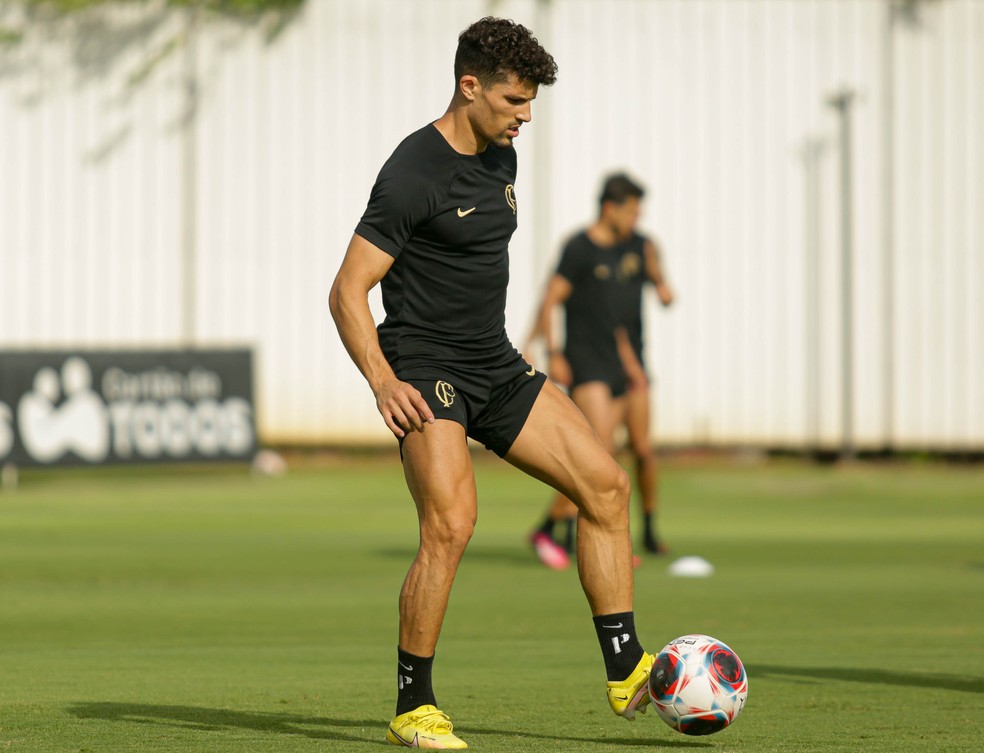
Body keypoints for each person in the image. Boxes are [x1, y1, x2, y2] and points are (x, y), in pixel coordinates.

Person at [329, 17, 655, 750]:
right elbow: (349, 290)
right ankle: (415, 704)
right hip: (423, 366)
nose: (526, 116)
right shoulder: (414, 168)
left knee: (604, 485)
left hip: (494, 363)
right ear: (469, 86)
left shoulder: (500, 155)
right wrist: (383, 382)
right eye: (513, 100)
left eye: (531, 102)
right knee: (451, 524)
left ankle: (627, 668)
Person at [525, 173, 674, 571]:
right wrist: (548, 349)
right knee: (599, 453)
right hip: (588, 361)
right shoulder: (580, 248)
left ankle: (648, 527)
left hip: (630, 363)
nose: (636, 219)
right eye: (631, 210)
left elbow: (659, 294)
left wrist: (660, 280)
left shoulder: (640, 247)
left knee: (642, 450)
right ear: (610, 208)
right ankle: (563, 528)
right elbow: (550, 298)